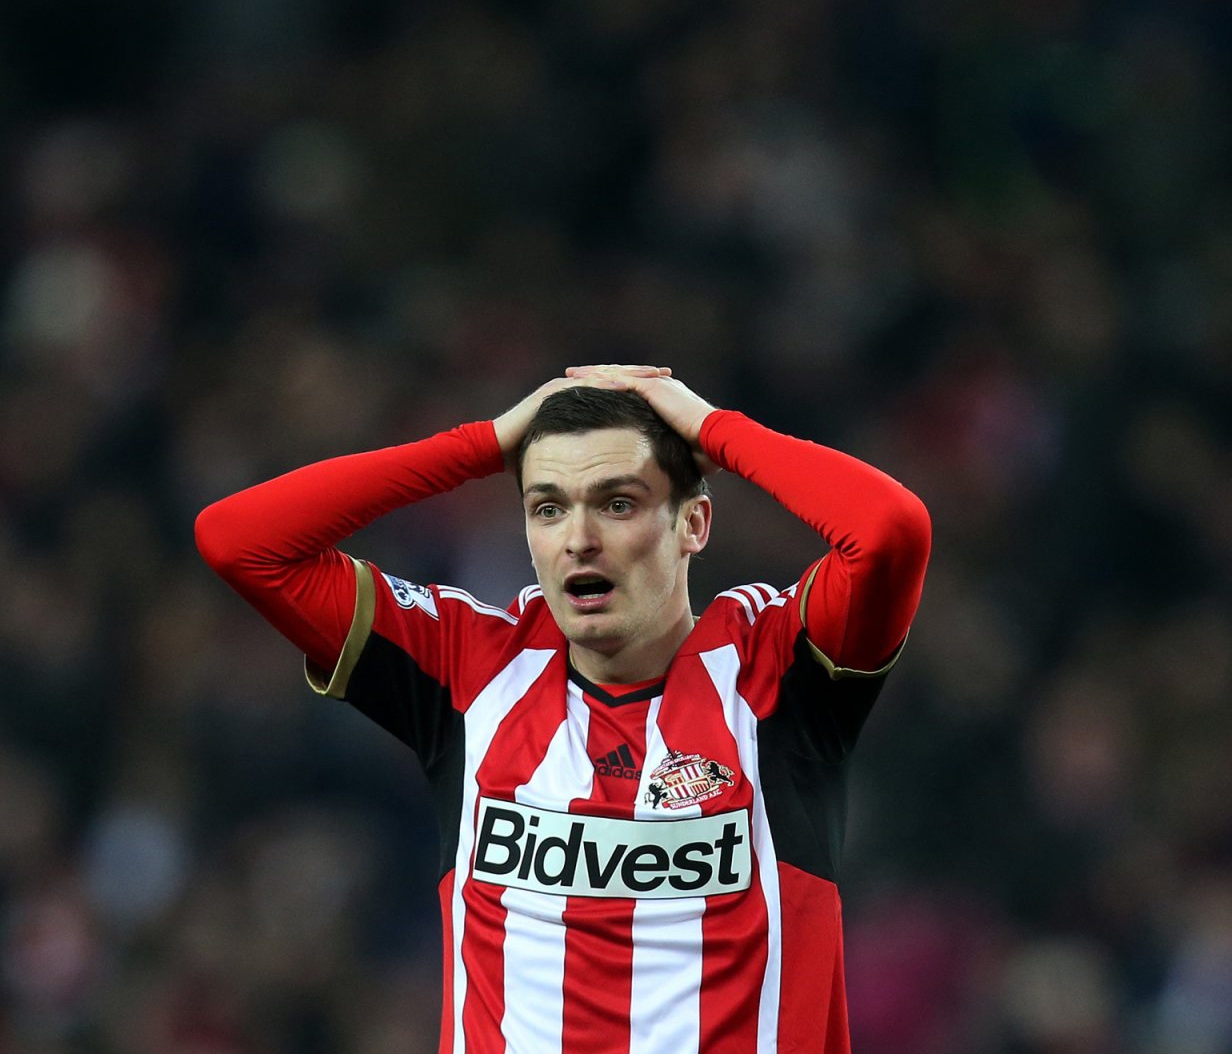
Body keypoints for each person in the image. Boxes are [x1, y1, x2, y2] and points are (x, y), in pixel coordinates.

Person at [195, 364, 931, 1054]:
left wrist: (714, 430)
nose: (579, 540)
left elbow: (889, 530)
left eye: (618, 503)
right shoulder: (471, 667)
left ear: (693, 525)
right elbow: (242, 542)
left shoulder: (776, 672)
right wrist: (482, 444)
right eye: (547, 508)